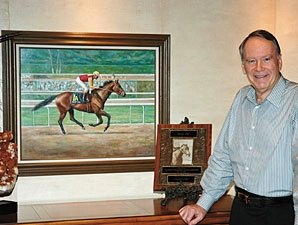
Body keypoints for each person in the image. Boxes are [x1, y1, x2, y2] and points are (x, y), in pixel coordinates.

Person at [179, 29, 298, 225]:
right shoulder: (241, 98)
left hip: (281, 214)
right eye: (251, 61)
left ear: (279, 60)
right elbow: (224, 154)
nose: (259, 68)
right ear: (243, 66)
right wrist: (203, 203)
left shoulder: (294, 101)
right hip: (241, 210)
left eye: (266, 59)